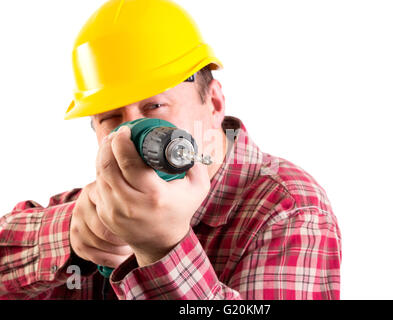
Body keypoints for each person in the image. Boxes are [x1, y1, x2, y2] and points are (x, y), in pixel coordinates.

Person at [0, 0, 341, 300]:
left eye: (156, 107)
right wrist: (71, 235)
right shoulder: (96, 205)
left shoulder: (291, 209)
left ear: (215, 102)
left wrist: (163, 250)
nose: (131, 132)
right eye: (110, 117)